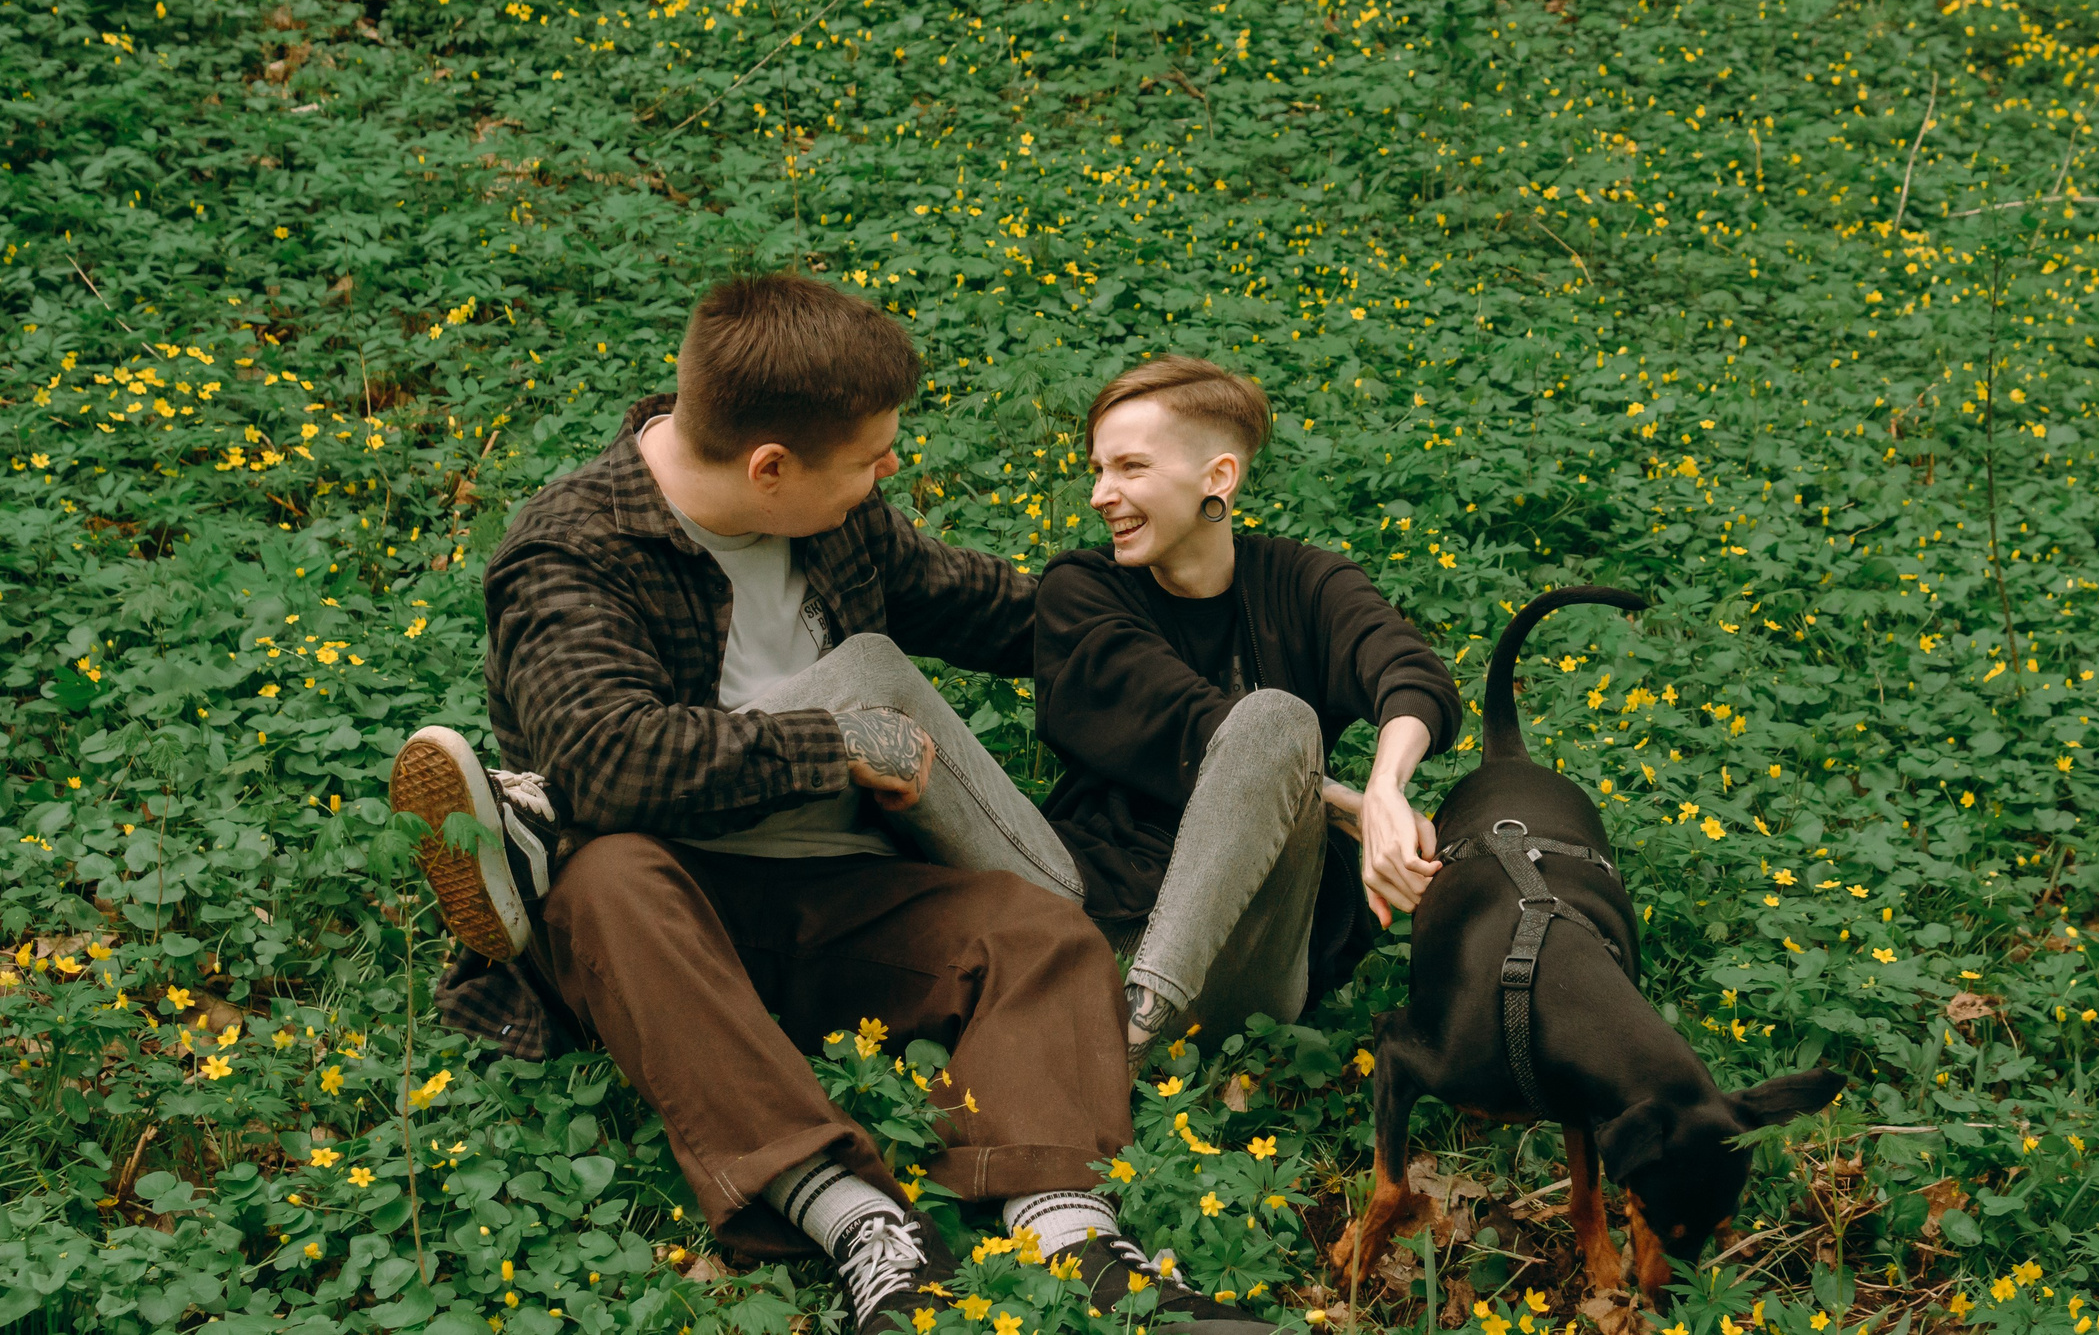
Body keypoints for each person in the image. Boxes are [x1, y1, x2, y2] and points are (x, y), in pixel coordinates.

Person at [391, 276, 1267, 1335]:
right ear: (771, 468)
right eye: (869, 456)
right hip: (672, 907)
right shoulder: (574, 552)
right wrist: (838, 738)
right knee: (609, 876)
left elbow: (998, 611)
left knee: (1041, 933)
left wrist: (1209, 665)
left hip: (844, 886)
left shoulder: (836, 520)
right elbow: (609, 760)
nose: (890, 469)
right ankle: (859, 1222)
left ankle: (1067, 1224)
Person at [1035, 357, 1464, 1064]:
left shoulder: (1304, 582)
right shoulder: (1081, 590)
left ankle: (1125, 1044)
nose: (1100, 494)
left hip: (1243, 959)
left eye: (1130, 468)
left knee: (1277, 720)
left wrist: (1387, 786)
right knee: (1272, 723)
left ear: (1219, 478)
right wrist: (1342, 802)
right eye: (1098, 469)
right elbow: (1193, 727)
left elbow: (1410, 673)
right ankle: (1119, 1022)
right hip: (1079, 908)